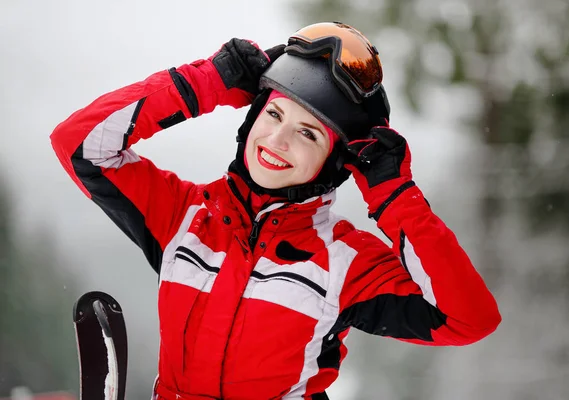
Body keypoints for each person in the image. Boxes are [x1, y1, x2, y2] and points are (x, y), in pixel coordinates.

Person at [51, 22, 501, 400]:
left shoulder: (345, 263)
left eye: (309, 135)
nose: (279, 141)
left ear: (332, 162)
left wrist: (394, 194)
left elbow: (467, 319)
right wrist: (205, 82)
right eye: (273, 116)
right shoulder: (185, 217)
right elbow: (79, 144)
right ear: (251, 120)